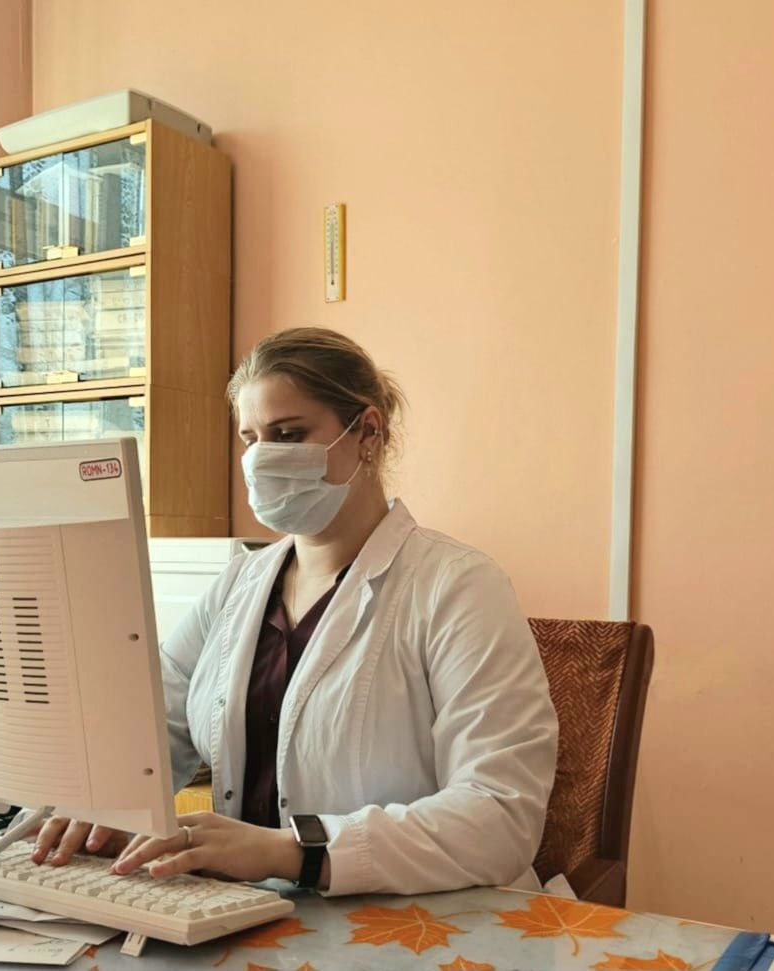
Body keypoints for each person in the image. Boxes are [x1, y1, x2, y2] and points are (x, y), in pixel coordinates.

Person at [31, 327, 558, 896]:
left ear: (368, 432)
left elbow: (500, 815)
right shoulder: (238, 584)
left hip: (426, 916)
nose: (261, 458)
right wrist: (105, 803)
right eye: (250, 438)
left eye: (288, 434)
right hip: (254, 911)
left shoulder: (458, 586)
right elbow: (154, 728)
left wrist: (290, 851)